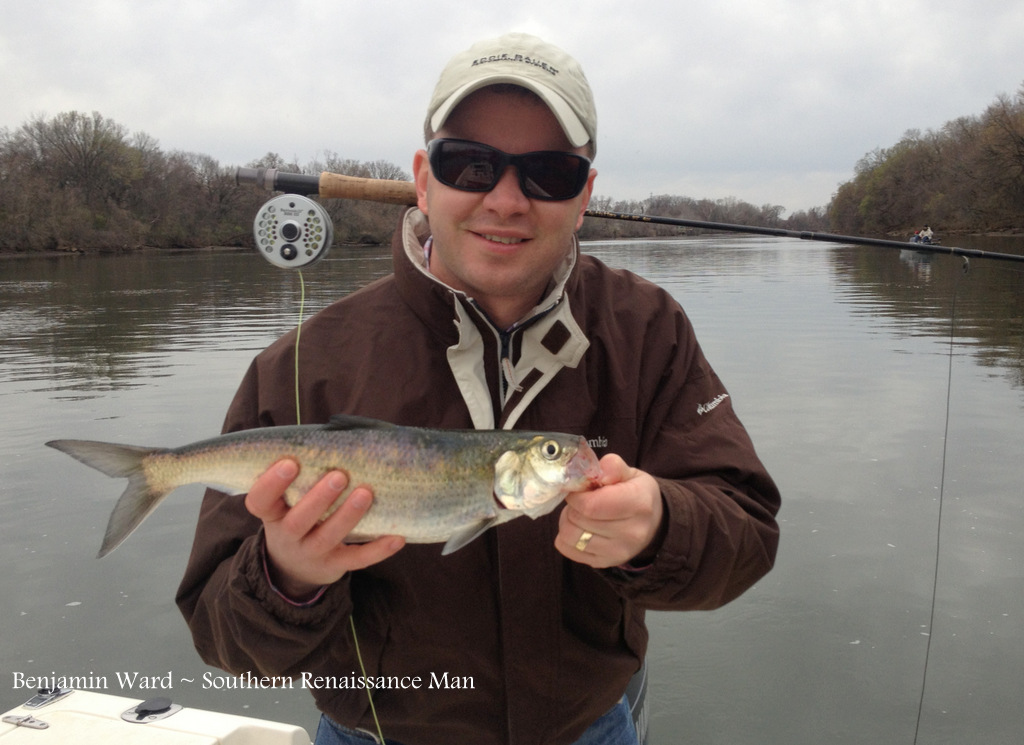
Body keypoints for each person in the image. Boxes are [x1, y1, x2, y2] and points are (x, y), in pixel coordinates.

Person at [176, 32, 780, 745]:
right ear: (423, 180)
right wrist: (286, 577)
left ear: (584, 195)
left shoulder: (647, 329)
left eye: (549, 172)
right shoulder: (303, 364)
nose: (507, 199)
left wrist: (659, 527)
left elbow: (748, 533)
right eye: (471, 164)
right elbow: (221, 636)